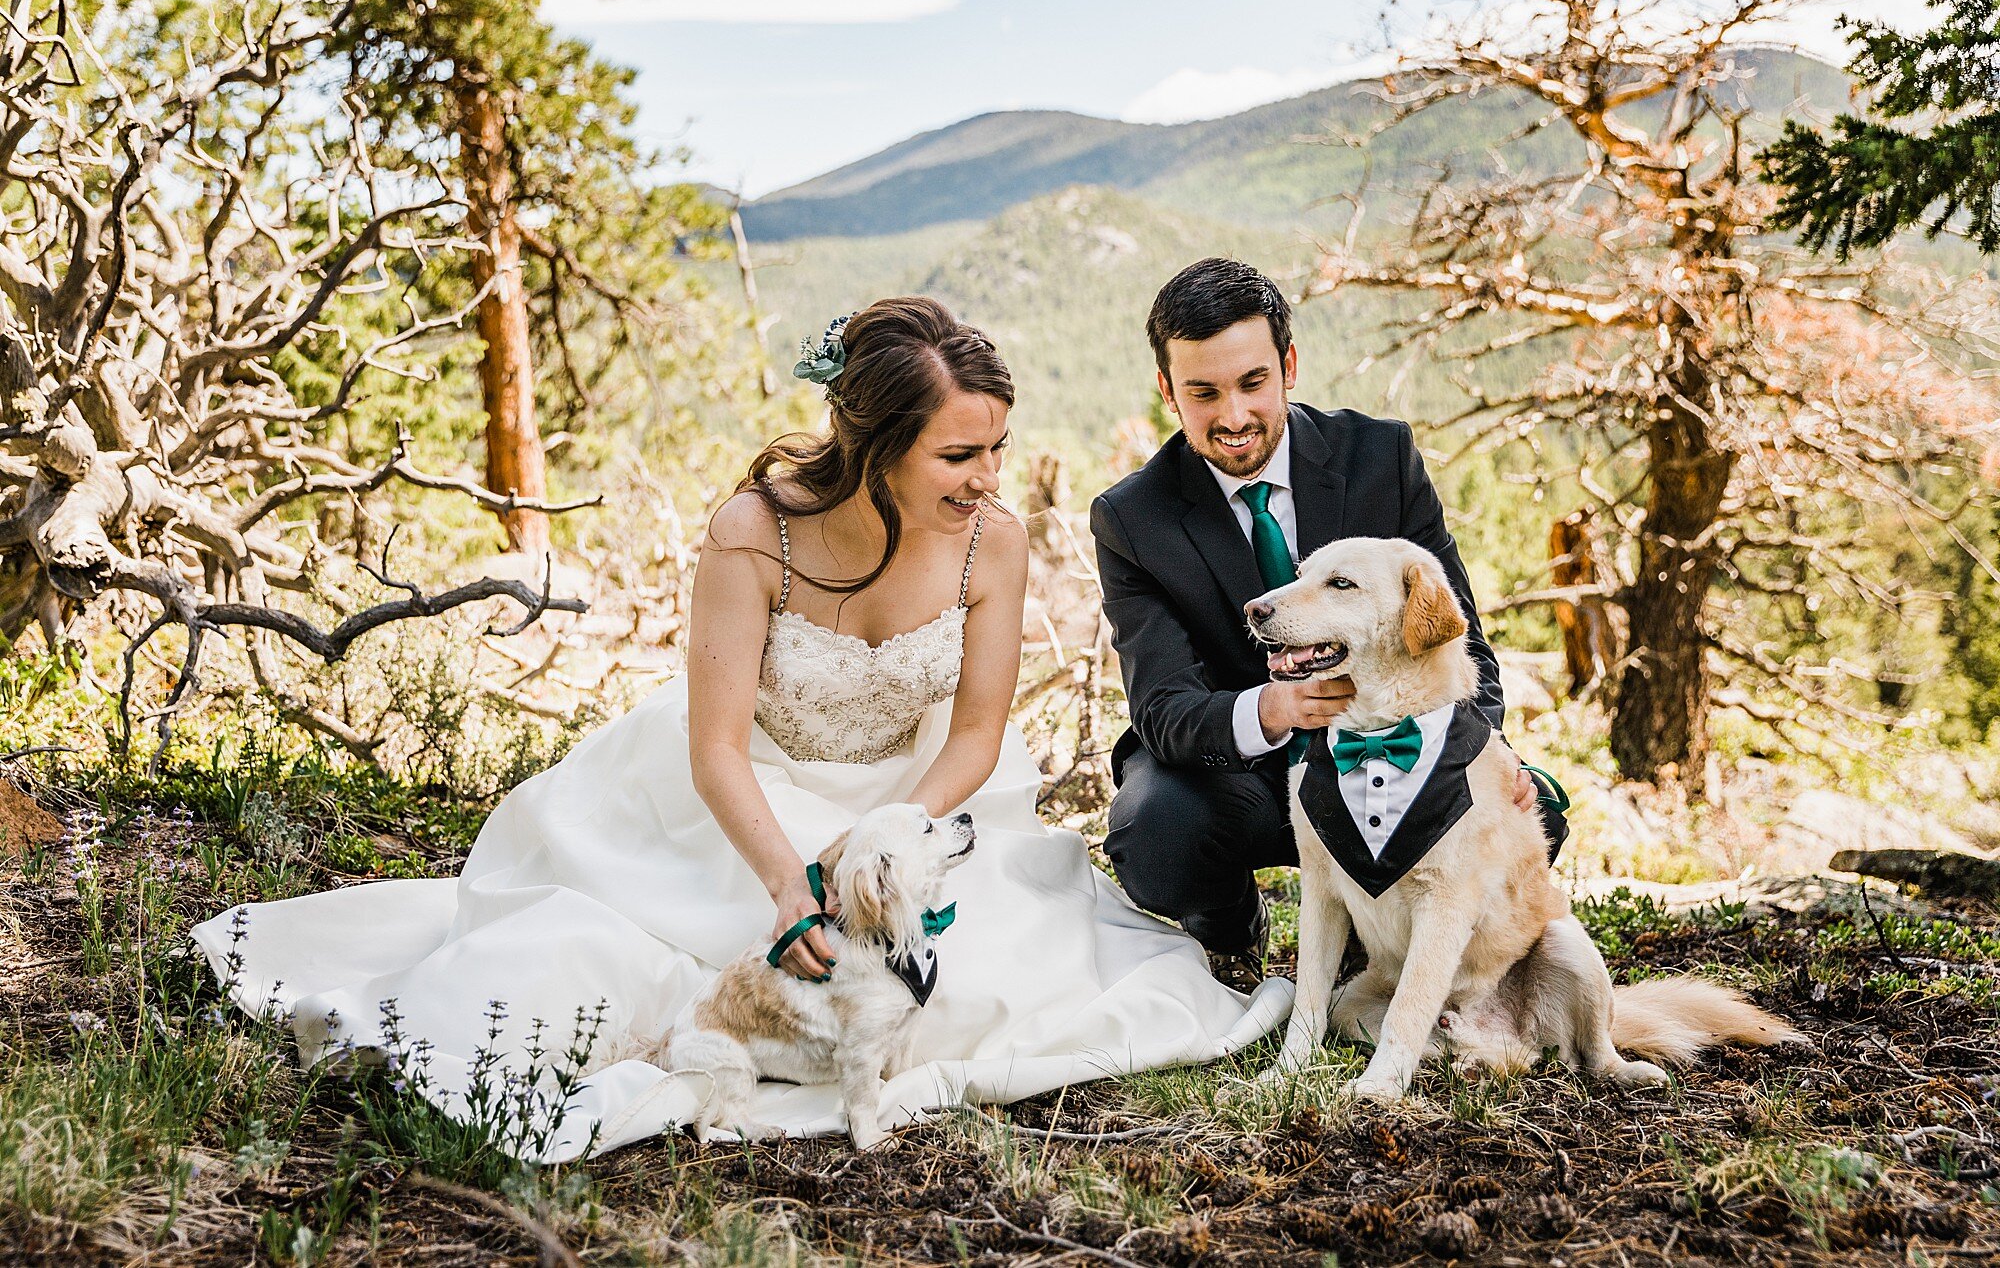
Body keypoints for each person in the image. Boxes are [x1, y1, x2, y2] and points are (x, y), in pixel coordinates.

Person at [194, 296, 1289, 1159]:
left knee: (996, 983)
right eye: (960, 456)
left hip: (917, 803)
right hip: (740, 798)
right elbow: (713, 745)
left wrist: (884, 845)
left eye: (996, 448)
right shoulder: (752, 529)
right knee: (661, 962)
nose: (988, 479)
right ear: (877, 445)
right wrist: (785, 879)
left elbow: (975, 735)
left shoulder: (989, 543)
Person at [1091, 259, 1566, 992]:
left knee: (1534, 806)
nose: (1234, 416)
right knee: (1156, 830)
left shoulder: (1381, 458)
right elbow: (1163, 707)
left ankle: (1381, 942)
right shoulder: (1131, 517)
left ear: (1288, 365)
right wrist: (1273, 708)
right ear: (1167, 391)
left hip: (1390, 759)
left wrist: (1484, 748)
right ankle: (1232, 928)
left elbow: (1456, 636)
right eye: (1203, 392)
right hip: (1241, 781)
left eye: (1253, 382)